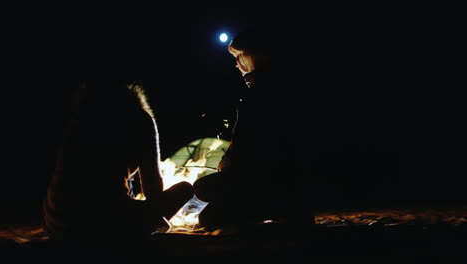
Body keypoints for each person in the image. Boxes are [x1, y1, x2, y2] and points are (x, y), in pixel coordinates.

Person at [43, 80, 193, 246]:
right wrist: (153, 216)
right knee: (184, 189)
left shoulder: (80, 118)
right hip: (105, 225)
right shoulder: (141, 119)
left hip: (57, 224)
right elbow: (153, 190)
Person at [193, 28, 314, 232]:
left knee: (203, 190)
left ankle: (263, 208)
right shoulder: (283, 86)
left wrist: (227, 162)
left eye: (238, 56)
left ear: (251, 56)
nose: (236, 64)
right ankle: (284, 208)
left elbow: (248, 147)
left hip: (259, 179)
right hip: (284, 180)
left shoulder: (258, 94)